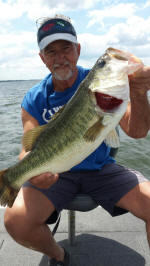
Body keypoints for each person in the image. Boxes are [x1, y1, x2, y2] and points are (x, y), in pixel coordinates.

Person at [4, 14, 150, 266]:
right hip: (58, 172)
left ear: (78, 50)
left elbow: (137, 132)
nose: (60, 58)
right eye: (51, 51)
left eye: (66, 48)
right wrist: (28, 170)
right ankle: (60, 256)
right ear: (42, 58)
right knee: (15, 221)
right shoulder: (33, 98)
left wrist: (138, 93)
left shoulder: (106, 90)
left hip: (102, 169)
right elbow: (28, 147)